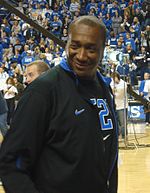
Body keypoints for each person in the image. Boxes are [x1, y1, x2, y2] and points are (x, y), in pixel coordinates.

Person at [0, 16, 118, 193]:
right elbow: (11, 162)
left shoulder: (104, 88)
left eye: (91, 49)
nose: (81, 55)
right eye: (75, 46)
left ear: (103, 50)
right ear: (66, 43)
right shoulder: (42, 91)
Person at [110, 72, 128, 139]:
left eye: (115, 78)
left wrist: (114, 90)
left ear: (118, 77)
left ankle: (124, 135)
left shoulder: (123, 84)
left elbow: (119, 94)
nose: (114, 80)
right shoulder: (112, 83)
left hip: (122, 105)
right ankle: (117, 135)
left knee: (122, 123)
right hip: (114, 106)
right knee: (115, 122)